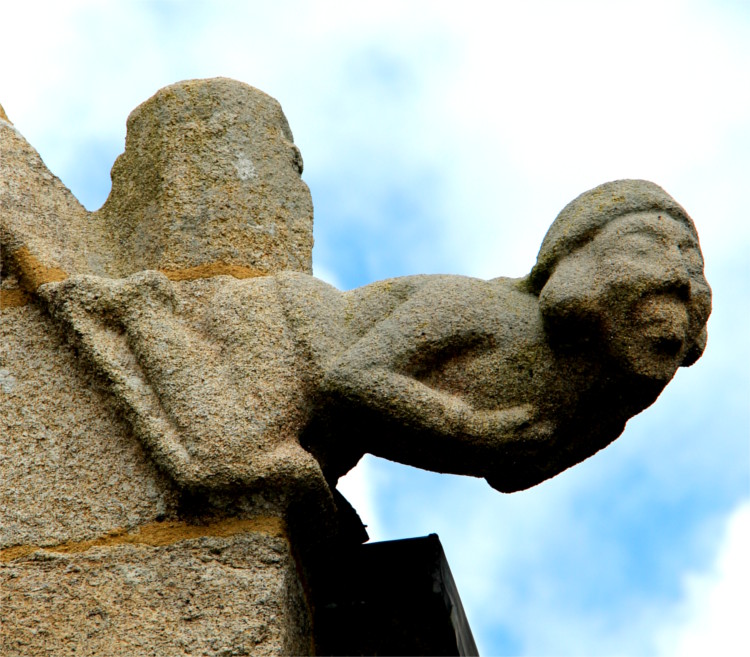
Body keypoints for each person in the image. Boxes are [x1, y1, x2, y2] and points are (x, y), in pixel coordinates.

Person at [41, 180, 711, 497]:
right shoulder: (479, 309)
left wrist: (523, 441)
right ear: (572, 262)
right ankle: (140, 309)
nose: (682, 274)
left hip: (338, 429)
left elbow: (510, 475)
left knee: (287, 483)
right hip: (293, 337)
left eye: (693, 264)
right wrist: (469, 429)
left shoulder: (598, 415)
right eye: (649, 244)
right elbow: (350, 377)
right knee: (218, 466)